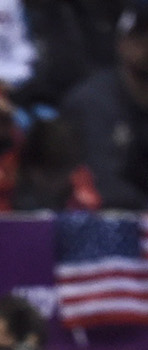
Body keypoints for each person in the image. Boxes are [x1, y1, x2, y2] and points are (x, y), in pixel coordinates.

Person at [60, 2, 148, 210]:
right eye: (141, 35)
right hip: (109, 231)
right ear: (122, 42)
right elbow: (102, 184)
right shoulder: (90, 103)